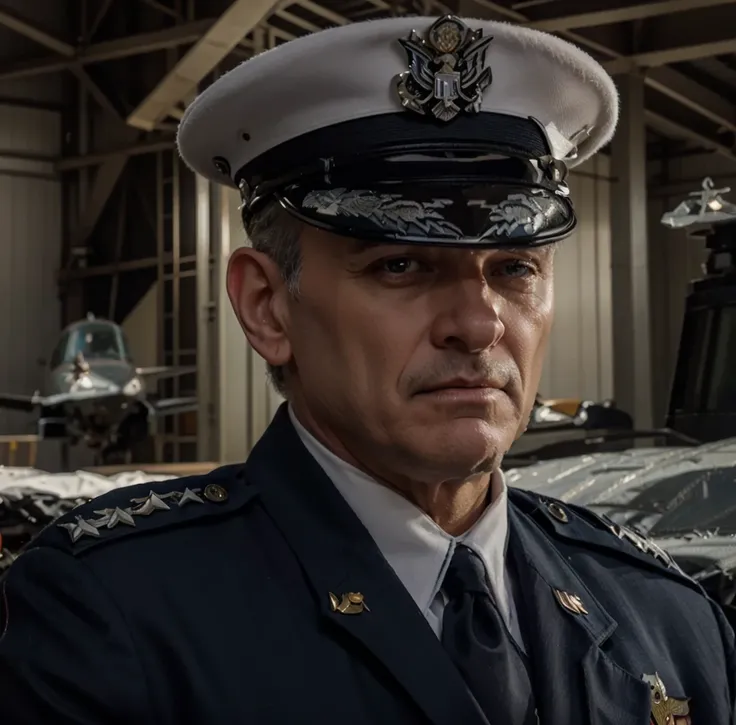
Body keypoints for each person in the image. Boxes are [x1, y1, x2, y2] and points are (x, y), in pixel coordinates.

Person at [0, 14, 733, 725]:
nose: (479, 323)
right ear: (266, 307)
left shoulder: (668, 616)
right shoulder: (112, 617)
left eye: (514, 267)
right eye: (401, 264)